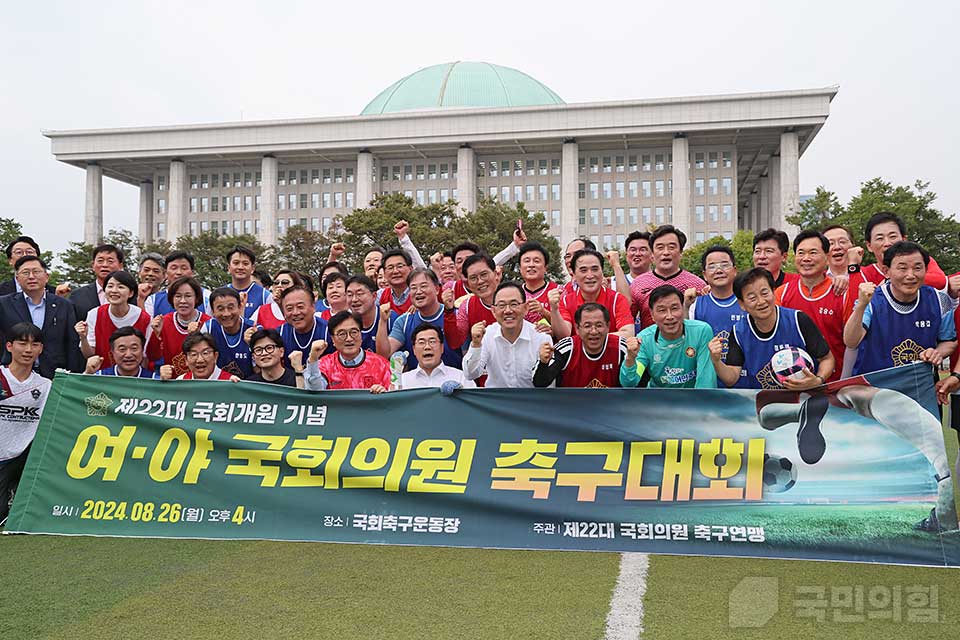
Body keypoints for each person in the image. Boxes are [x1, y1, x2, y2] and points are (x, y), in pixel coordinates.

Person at [711, 268, 834, 390]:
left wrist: (818, 380)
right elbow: (731, 378)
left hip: (802, 400)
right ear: (742, 304)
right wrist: (716, 361)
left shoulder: (798, 320)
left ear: (773, 292)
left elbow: (827, 358)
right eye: (752, 298)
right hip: (762, 404)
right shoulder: (739, 332)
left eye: (765, 293)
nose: (761, 301)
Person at [844, 241, 955, 376]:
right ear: (886, 271)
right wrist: (861, 306)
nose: (910, 275)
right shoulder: (871, 300)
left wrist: (936, 353)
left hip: (919, 387)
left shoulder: (939, 300)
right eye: (902, 268)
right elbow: (851, 341)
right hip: (875, 389)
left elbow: (949, 341)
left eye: (917, 268)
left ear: (926, 269)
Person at [776, 230, 852, 381]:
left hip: (834, 383)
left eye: (813, 252)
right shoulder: (782, 293)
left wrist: (846, 379)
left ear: (826, 257)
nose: (806, 258)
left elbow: (852, 343)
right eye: (801, 253)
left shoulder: (842, 293)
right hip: (791, 384)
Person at [0, 323, 52, 524]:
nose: (28, 350)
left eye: (34, 344)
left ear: (41, 349)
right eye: (22, 343)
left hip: (23, 458)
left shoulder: (45, 386)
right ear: (9, 346)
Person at [0, 256, 82, 378]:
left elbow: (71, 342)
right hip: (14, 375)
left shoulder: (64, 305)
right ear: (17, 279)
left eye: (36, 272)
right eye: (26, 273)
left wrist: (73, 374)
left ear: (46, 276)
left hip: (54, 375)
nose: (31, 276)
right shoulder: (4, 304)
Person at [620, 285, 716, 389]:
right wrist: (630, 358)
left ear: (682, 308)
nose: (669, 316)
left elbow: (706, 380)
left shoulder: (701, 331)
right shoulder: (644, 339)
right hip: (658, 400)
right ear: (652, 314)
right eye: (662, 310)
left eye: (674, 308)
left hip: (692, 400)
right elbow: (630, 383)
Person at [462, 281, 552, 388]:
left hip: (531, 401)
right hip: (496, 401)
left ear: (526, 308)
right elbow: (470, 374)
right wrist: (476, 344)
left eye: (514, 304)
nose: (508, 311)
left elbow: (548, 383)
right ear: (494, 311)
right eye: (502, 305)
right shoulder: (487, 335)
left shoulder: (541, 337)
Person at [379, 268, 462, 370]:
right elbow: (384, 354)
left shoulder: (456, 315)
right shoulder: (404, 321)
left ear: (437, 289)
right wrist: (382, 321)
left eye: (423, 286)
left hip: (455, 381)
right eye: (413, 288)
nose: (418, 292)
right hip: (417, 383)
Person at [533, 302, 627, 388]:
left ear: (608, 327)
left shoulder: (621, 348)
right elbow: (540, 383)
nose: (594, 331)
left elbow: (634, 385)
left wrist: (631, 358)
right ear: (577, 328)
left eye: (599, 325)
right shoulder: (566, 348)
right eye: (587, 326)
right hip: (572, 405)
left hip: (611, 405)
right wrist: (543, 363)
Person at [630, 225, 707, 329]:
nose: (666, 253)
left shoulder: (697, 284)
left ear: (680, 253)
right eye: (660, 248)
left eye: (671, 247)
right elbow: (628, 320)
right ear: (652, 254)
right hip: (649, 343)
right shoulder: (638, 284)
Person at [76, 270, 151, 371]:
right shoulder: (95, 314)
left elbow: (145, 357)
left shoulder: (144, 318)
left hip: (133, 378)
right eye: (110, 286)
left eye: (120, 287)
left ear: (131, 293)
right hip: (103, 377)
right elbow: (90, 355)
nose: (114, 290)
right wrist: (83, 338)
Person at [551, 249, 634, 338]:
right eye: (583, 270)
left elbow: (628, 333)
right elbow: (563, 335)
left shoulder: (617, 299)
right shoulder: (566, 301)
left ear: (602, 272)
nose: (590, 276)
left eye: (595, 269)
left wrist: (590, 338)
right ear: (573, 274)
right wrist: (554, 309)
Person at [854, 211, 947, 290]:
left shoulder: (920, 261)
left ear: (904, 239)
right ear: (869, 246)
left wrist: (889, 282)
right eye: (880, 238)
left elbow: (940, 281)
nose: (887, 243)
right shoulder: (864, 273)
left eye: (892, 236)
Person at [303, 311, 391, 392]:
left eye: (354, 332)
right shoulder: (325, 365)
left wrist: (384, 393)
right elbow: (315, 392)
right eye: (342, 334)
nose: (349, 339)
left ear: (361, 334)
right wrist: (313, 358)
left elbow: (393, 398)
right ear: (333, 339)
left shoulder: (381, 364)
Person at [146, 276, 211, 378]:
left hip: (201, 382)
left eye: (188, 296)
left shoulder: (208, 323)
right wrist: (156, 335)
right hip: (172, 383)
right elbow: (152, 357)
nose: (183, 301)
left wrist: (197, 336)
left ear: (197, 298)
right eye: (178, 296)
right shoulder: (164, 322)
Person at [686, 245, 742, 362]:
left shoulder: (747, 302)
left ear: (735, 270)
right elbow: (687, 340)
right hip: (707, 375)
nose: (719, 270)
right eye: (712, 267)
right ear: (705, 275)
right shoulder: (695, 305)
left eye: (725, 265)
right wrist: (685, 306)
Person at [445, 227, 527, 299]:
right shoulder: (450, 288)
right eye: (459, 261)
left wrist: (515, 245)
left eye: (469, 260)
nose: (464, 264)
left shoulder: (498, 290)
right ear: (454, 266)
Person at [442, 254, 502, 349]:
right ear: (468, 284)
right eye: (473, 278)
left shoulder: (515, 297)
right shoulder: (467, 305)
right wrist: (448, 310)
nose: (480, 281)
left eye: (484, 275)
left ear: (496, 274)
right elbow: (455, 342)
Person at [401, 324, 476, 389]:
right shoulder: (403, 381)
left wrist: (461, 394)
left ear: (442, 347)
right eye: (421, 342)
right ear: (414, 349)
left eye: (432, 342)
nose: (427, 347)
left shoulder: (461, 378)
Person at [201, 287, 254, 379]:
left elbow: (262, 369)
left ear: (240, 307)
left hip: (248, 387)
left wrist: (252, 345)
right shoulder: (208, 328)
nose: (226, 314)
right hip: (219, 386)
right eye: (220, 309)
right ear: (213, 311)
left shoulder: (253, 329)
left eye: (231, 307)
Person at [143, 250, 212, 317]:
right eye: (174, 268)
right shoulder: (153, 300)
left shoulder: (207, 297)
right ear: (166, 273)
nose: (179, 272)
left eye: (184, 268)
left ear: (192, 273)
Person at [68, 243, 125, 322]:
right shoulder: (78, 295)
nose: (105, 265)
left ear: (120, 266)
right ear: (93, 265)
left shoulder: (130, 294)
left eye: (110, 261)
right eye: (100, 261)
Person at [278, 286, 330, 367]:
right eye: (289, 308)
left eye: (300, 307)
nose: (295, 313)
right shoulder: (279, 334)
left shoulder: (329, 331)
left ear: (313, 307)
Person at [160, 332, 238, 381]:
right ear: (186, 360)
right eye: (193, 354)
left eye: (205, 353)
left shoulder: (230, 382)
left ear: (215, 356)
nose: (200, 360)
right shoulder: (181, 382)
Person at [223, 245, 272, 320]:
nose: (240, 267)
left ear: (252, 268)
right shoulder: (220, 294)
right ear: (229, 268)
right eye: (236, 263)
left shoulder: (265, 296)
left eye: (245, 264)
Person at [84, 326, 154, 377]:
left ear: (142, 351)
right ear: (112, 353)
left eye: (134, 348)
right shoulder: (100, 377)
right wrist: (87, 374)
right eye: (122, 349)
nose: (128, 355)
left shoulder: (153, 380)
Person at [516, 242, 558, 326]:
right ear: (520, 268)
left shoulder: (558, 291)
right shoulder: (514, 293)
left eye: (536, 261)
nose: (531, 265)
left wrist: (543, 312)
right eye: (527, 261)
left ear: (546, 268)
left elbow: (565, 326)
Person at [611, 231, 652, 299]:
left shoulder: (660, 281)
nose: (637, 254)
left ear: (652, 255)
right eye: (633, 250)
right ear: (626, 254)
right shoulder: (612, 282)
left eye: (643, 250)